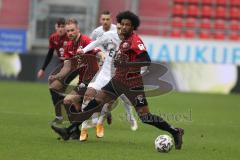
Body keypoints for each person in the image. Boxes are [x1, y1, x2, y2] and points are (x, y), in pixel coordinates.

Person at [81, 11, 184, 149]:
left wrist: (126, 65)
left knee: (145, 117)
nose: (123, 27)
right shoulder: (123, 40)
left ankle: (175, 131)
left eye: (127, 25)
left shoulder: (135, 41)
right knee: (96, 101)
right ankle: (73, 128)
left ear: (133, 26)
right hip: (117, 81)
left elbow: (146, 60)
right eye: (122, 24)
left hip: (133, 84)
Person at [77, 23, 138, 141]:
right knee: (88, 95)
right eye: (119, 28)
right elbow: (96, 43)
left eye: (123, 29)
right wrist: (83, 50)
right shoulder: (110, 35)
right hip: (104, 75)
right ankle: (84, 128)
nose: (120, 31)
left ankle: (100, 123)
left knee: (110, 103)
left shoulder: (132, 42)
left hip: (117, 78)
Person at [50, 18, 101, 140]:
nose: (70, 33)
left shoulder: (85, 40)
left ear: (78, 30)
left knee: (73, 101)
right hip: (82, 81)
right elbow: (67, 67)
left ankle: (99, 112)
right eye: (68, 31)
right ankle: (75, 131)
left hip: (94, 80)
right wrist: (57, 76)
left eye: (72, 30)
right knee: (73, 103)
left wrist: (101, 57)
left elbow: (98, 52)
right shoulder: (68, 45)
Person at [37, 18, 78, 124]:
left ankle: (69, 110)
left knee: (57, 88)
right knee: (53, 88)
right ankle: (61, 115)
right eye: (58, 26)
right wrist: (43, 69)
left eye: (62, 26)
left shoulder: (70, 37)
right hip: (62, 65)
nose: (60, 29)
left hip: (73, 67)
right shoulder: (53, 37)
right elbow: (50, 53)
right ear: (55, 27)